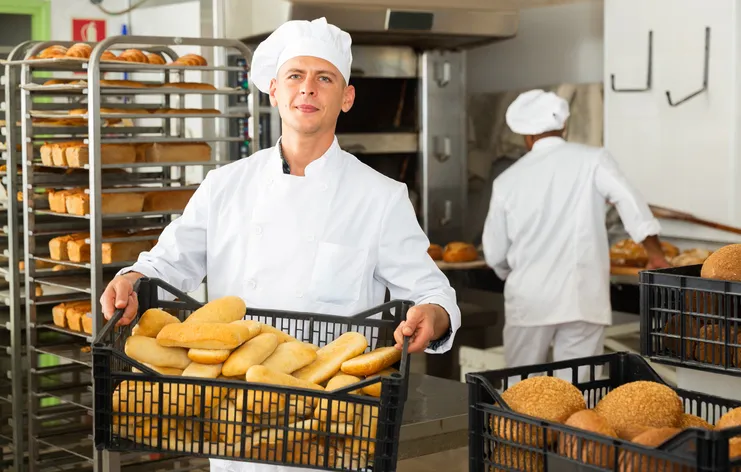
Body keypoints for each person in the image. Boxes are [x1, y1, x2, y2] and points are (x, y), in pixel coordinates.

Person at [100, 17, 461, 472]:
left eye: (324, 78)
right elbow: (168, 264)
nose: (307, 89)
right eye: (295, 75)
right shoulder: (224, 186)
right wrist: (131, 279)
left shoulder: (381, 197)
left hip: (333, 429)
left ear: (345, 97)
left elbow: (432, 291)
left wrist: (434, 314)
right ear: (274, 91)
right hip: (234, 426)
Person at [481, 89, 670, 382]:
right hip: (583, 297)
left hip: (529, 301)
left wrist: (516, 274)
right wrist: (655, 254)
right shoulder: (593, 159)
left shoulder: (507, 181)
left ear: (526, 137)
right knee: (580, 393)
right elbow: (629, 200)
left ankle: (520, 429)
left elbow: (494, 253)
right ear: (563, 126)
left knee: (519, 393)